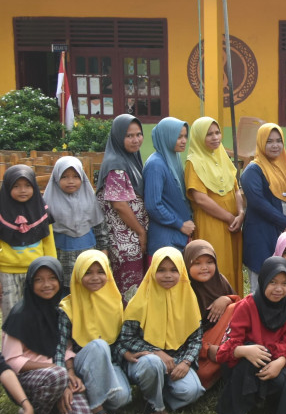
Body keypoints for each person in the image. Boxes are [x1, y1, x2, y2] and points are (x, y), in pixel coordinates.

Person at [0, 257, 91, 414]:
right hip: (25, 379)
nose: (46, 284)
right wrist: (58, 372)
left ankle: (50, 406)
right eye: (39, 280)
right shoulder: (20, 315)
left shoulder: (61, 309)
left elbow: (66, 348)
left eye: (52, 278)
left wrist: (70, 372)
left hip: (56, 375)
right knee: (56, 375)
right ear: (30, 283)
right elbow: (12, 360)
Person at [117, 249, 205, 414]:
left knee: (192, 392)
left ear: (181, 271)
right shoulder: (140, 300)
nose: (167, 275)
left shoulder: (188, 298)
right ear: (152, 271)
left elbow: (195, 339)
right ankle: (154, 404)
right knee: (153, 364)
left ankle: (159, 390)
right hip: (145, 361)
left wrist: (186, 362)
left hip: (177, 360)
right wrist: (155, 351)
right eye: (161, 270)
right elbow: (126, 338)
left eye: (174, 270)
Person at [215, 257, 286, 414]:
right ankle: (238, 412)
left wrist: (281, 362)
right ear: (263, 280)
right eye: (273, 282)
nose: (279, 289)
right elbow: (225, 350)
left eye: (284, 283)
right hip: (246, 366)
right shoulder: (247, 305)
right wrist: (245, 351)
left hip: (273, 362)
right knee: (248, 362)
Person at [59, 251, 132, 414]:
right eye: (88, 272)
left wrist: (126, 353)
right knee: (99, 345)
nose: (95, 278)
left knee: (122, 398)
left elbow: (117, 341)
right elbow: (60, 346)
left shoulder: (114, 301)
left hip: (107, 362)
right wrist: (69, 372)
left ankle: (88, 393)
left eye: (100, 272)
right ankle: (97, 409)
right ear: (78, 274)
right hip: (78, 365)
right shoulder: (66, 307)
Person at [0, 165, 57, 320]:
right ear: (7, 188)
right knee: (12, 316)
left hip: (37, 271)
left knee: (37, 313)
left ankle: (36, 344)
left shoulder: (42, 213)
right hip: (7, 274)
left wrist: (51, 269)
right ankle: (13, 344)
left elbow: (48, 243)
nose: (23, 190)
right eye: (16, 186)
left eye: (27, 185)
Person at [185, 116, 244, 293]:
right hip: (212, 223)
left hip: (233, 224)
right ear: (198, 137)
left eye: (217, 132)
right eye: (209, 134)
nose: (215, 137)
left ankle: (234, 312)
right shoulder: (193, 162)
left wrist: (241, 213)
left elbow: (236, 189)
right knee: (214, 265)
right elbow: (200, 198)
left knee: (233, 265)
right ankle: (214, 313)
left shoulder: (222, 156)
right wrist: (230, 217)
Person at [242, 122, 286, 290]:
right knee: (261, 281)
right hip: (261, 233)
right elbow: (257, 202)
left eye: (278, 140)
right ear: (261, 143)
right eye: (269, 141)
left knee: (284, 281)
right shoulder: (252, 171)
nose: (275, 145)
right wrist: (285, 222)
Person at [96, 114, 148, 299]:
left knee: (137, 287)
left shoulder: (131, 158)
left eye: (138, 134)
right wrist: (141, 232)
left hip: (132, 238)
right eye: (129, 136)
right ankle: (127, 325)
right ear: (118, 137)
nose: (136, 140)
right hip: (124, 241)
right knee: (129, 290)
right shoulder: (116, 164)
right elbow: (119, 205)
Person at [185, 239, 241, 391]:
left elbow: (242, 311)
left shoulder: (220, 280)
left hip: (222, 339)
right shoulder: (184, 290)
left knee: (235, 308)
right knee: (202, 373)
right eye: (197, 263)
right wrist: (207, 350)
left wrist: (226, 298)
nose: (204, 268)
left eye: (209, 262)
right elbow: (182, 336)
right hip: (197, 348)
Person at [44, 156, 105, 278]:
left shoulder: (90, 199)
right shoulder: (47, 202)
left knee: (86, 285)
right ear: (56, 178)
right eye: (64, 177)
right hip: (60, 254)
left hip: (88, 253)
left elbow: (100, 229)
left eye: (76, 176)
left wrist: (103, 252)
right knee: (65, 288)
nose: (70, 181)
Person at [143, 118, 195, 254]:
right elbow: (153, 205)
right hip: (165, 240)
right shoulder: (156, 165)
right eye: (178, 137)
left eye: (185, 136)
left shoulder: (173, 158)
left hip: (177, 237)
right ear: (167, 137)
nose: (184, 141)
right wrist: (180, 224)